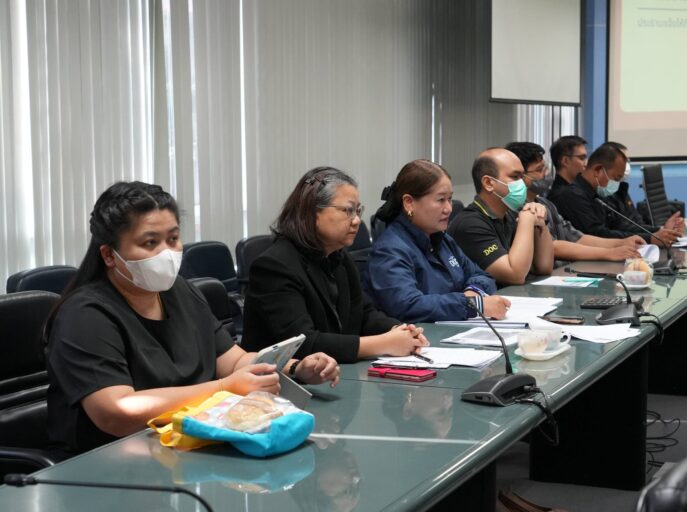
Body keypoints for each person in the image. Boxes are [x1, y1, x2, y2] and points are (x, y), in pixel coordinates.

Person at [45, 181, 340, 458]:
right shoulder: (85, 315)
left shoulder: (180, 291)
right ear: (109, 255)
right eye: (150, 243)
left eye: (173, 239)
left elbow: (234, 362)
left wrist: (295, 367)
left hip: (186, 446)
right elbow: (117, 412)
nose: (166, 253)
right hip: (109, 462)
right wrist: (224, 388)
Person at [241, 167, 428, 363]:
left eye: (358, 211)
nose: (357, 220)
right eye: (348, 210)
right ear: (313, 211)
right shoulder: (274, 266)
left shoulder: (338, 257)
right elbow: (303, 344)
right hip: (279, 377)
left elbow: (363, 314)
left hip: (333, 372)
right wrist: (385, 343)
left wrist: (400, 331)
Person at [364, 159, 510, 323]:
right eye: (440, 200)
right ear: (409, 203)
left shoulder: (442, 239)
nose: (449, 208)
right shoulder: (389, 250)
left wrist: (473, 292)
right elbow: (407, 306)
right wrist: (472, 304)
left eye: (450, 199)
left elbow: (482, 275)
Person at [505, 141, 644, 264]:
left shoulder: (545, 203)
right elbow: (553, 246)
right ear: (520, 175)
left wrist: (622, 242)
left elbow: (577, 237)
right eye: (539, 170)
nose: (546, 174)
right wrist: (609, 253)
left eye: (545, 168)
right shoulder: (513, 209)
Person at [447, 148, 554, 285]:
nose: (523, 184)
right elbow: (515, 275)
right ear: (488, 183)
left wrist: (540, 222)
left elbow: (544, 267)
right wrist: (527, 221)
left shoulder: (509, 214)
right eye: (515, 177)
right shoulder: (469, 224)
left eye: (522, 177)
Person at [548, 143, 682, 246]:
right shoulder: (572, 195)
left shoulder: (598, 191)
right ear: (598, 170)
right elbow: (598, 234)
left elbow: (619, 224)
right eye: (616, 178)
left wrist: (658, 231)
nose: (616, 184)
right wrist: (650, 239)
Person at [604, 141, 686, 233]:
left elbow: (636, 220)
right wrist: (657, 232)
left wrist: (660, 231)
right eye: (623, 161)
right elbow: (620, 228)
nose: (627, 165)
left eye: (628, 161)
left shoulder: (621, 188)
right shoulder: (606, 192)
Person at [547, 135, 588, 200]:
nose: (586, 164)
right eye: (582, 158)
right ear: (565, 161)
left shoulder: (572, 190)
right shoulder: (566, 195)